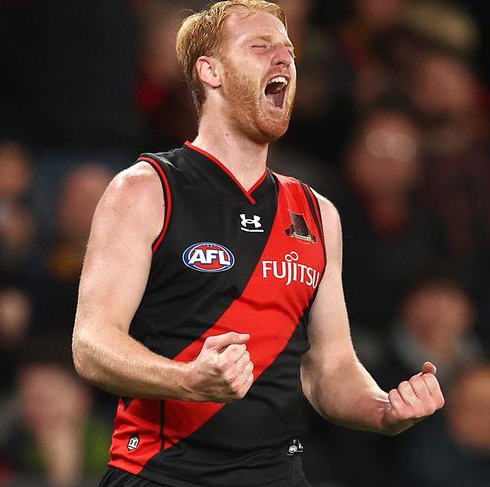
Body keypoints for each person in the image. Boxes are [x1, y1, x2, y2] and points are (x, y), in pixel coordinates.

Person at [72, 2, 444, 486]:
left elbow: (327, 367)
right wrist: (186, 380)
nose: (284, 59)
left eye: (289, 51)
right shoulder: (146, 189)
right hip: (161, 474)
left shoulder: (317, 213)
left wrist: (383, 411)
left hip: (277, 475)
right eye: (260, 46)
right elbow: (92, 344)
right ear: (211, 71)